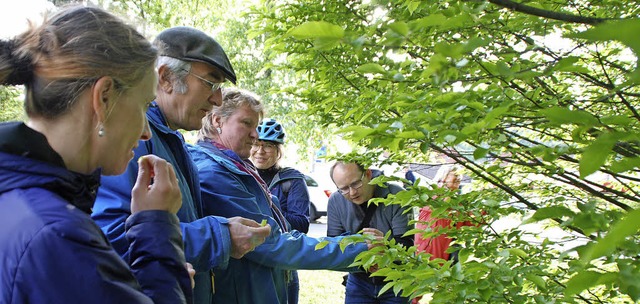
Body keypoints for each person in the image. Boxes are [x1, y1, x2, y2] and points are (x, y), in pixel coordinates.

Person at [0, 5, 192, 303]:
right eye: (143, 105)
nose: (146, 132)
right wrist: (157, 229)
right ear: (103, 98)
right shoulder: (58, 237)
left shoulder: (18, 199)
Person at [91, 26, 271, 304]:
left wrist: (221, 229)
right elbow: (112, 234)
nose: (217, 100)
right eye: (210, 83)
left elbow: (168, 223)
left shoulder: (174, 141)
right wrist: (219, 236)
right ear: (165, 78)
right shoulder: (136, 135)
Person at [189, 88, 378, 304]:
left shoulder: (234, 167)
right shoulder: (215, 173)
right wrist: (359, 249)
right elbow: (271, 244)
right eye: (247, 123)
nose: (255, 135)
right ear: (217, 120)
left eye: (256, 126)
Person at [327, 161, 414, 304]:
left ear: (368, 174)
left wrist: (386, 248)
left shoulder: (398, 195)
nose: (352, 192)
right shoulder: (336, 201)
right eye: (344, 189)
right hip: (359, 282)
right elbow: (334, 246)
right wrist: (363, 262)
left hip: (397, 280)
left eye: (355, 184)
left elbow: (407, 245)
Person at [250, 118, 311, 304]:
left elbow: (301, 224)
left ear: (278, 151)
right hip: (249, 261)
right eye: (256, 144)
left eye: (268, 145)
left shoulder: (292, 180)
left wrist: (263, 218)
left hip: (283, 262)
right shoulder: (241, 175)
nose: (260, 151)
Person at [414, 166, 475, 261]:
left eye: (459, 177)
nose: (458, 178)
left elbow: (472, 222)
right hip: (430, 247)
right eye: (455, 175)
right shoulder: (431, 197)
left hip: (447, 249)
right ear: (443, 178)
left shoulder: (458, 202)